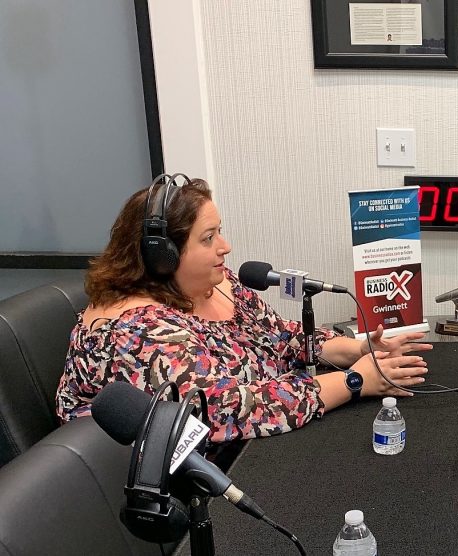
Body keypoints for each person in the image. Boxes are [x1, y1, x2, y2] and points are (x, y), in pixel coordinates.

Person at [57, 177, 431, 443]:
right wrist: (354, 381)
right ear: (162, 257)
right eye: (208, 238)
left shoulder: (216, 282)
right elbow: (231, 411)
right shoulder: (135, 332)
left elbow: (278, 337)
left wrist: (358, 349)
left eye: (219, 231)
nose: (226, 246)